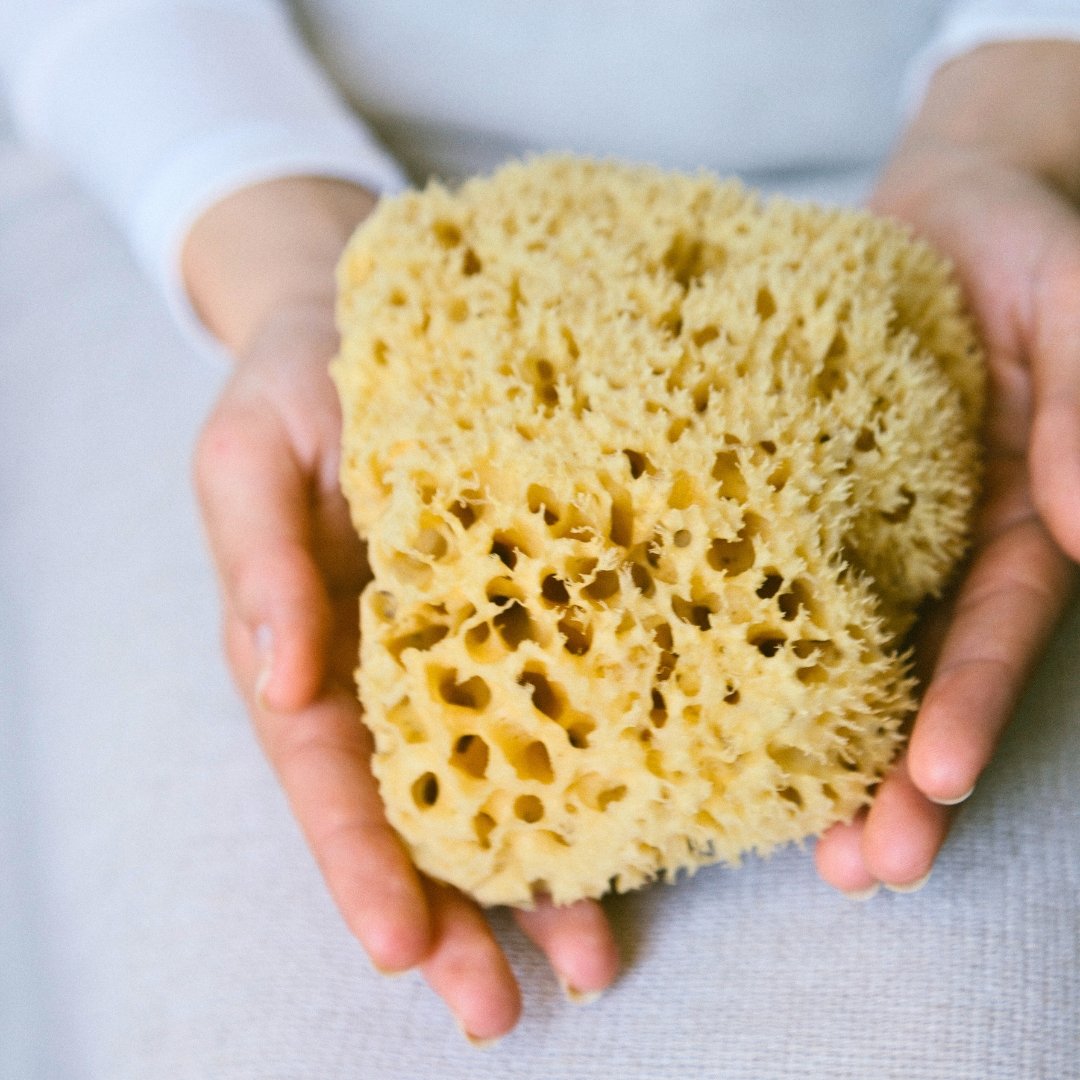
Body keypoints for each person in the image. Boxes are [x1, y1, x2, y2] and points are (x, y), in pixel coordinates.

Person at [3, 0, 1080, 1050]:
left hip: (950, 133)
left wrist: (1019, 114)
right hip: (225, 161)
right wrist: (275, 248)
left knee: (964, 1035)